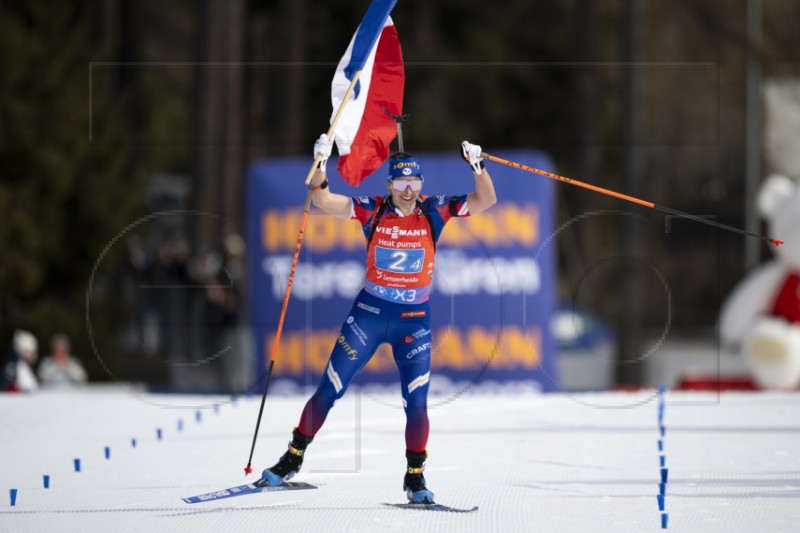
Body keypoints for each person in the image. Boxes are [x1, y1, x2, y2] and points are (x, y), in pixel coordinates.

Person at [256, 134, 497, 503]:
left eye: (413, 182)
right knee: (329, 389)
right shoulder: (372, 208)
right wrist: (320, 164)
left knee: (416, 403)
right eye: (400, 182)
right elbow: (322, 199)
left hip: (413, 321)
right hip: (369, 314)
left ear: (421, 185)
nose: (407, 189)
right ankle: (293, 457)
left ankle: (415, 478)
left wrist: (477, 167)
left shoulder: (434, 210)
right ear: (389, 185)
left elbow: (486, 200)